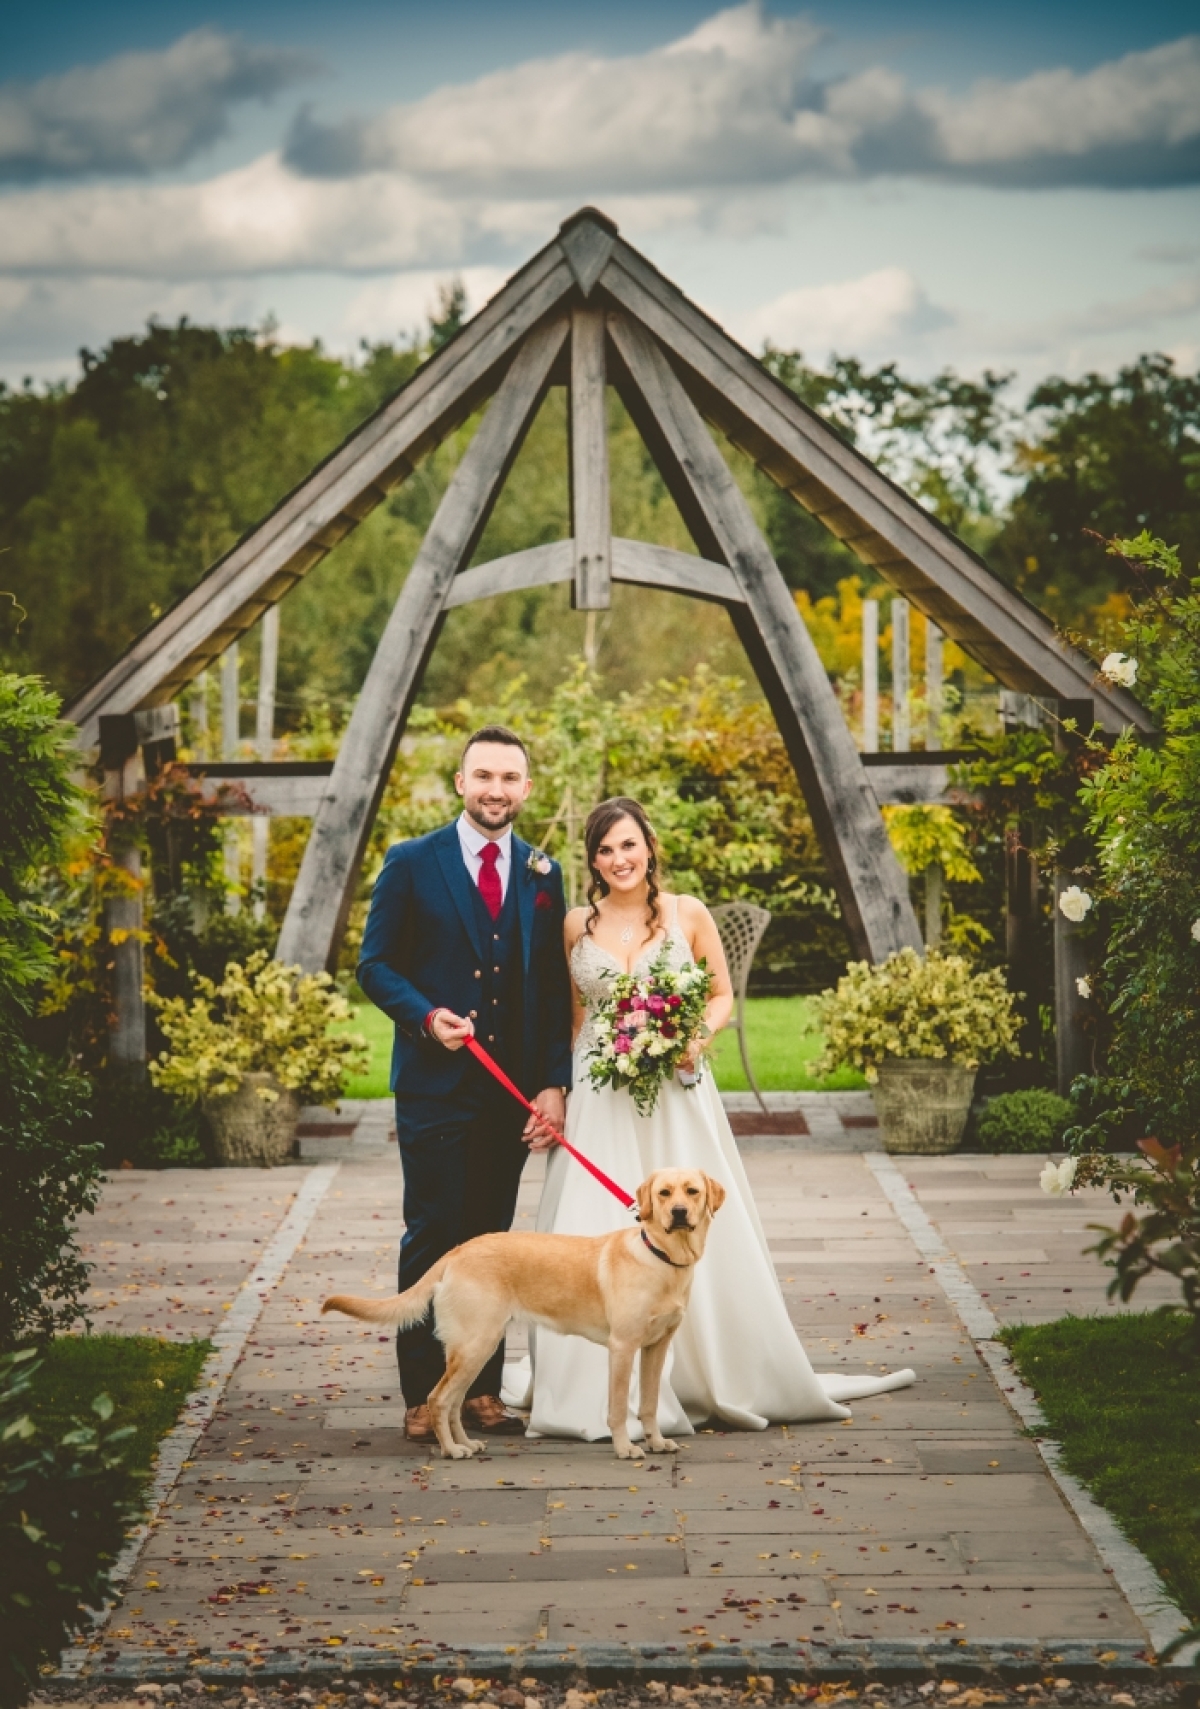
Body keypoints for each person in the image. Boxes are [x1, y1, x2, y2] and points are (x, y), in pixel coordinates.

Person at [508, 796, 915, 1442]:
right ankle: (583, 1390)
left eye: (629, 845)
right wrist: (557, 1086)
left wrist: (692, 1036)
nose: (620, 859)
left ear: (650, 847)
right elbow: (574, 1019)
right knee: (588, 1224)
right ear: (591, 861)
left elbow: (720, 992)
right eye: (606, 849)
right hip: (600, 1094)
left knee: (691, 1217)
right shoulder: (574, 925)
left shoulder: (686, 912)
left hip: (676, 1090)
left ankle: (709, 1371)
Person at [357, 725, 573, 1443]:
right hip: (434, 1089)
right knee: (434, 1235)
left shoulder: (544, 873)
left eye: (510, 778)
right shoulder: (412, 861)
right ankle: (423, 1393)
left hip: (507, 1095)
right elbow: (376, 965)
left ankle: (480, 1389)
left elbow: (548, 987)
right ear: (460, 782)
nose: (496, 790)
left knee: (494, 1242)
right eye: (484, 775)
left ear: (526, 788)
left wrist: (553, 1085)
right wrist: (425, 1016)